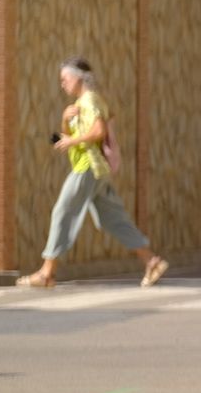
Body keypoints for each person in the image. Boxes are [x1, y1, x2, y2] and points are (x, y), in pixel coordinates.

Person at [16, 58, 168, 288]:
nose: (62, 84)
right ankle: (151, 261)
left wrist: (71, 139)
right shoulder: (82, 103)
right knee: (113, 219)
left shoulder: (90, 100)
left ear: (78, 78)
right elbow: (79, 135)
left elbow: (98, 131)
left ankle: (47, 272)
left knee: (62, 212)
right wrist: (65, 121)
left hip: (87, 167)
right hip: (97, 170)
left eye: (64, 79)